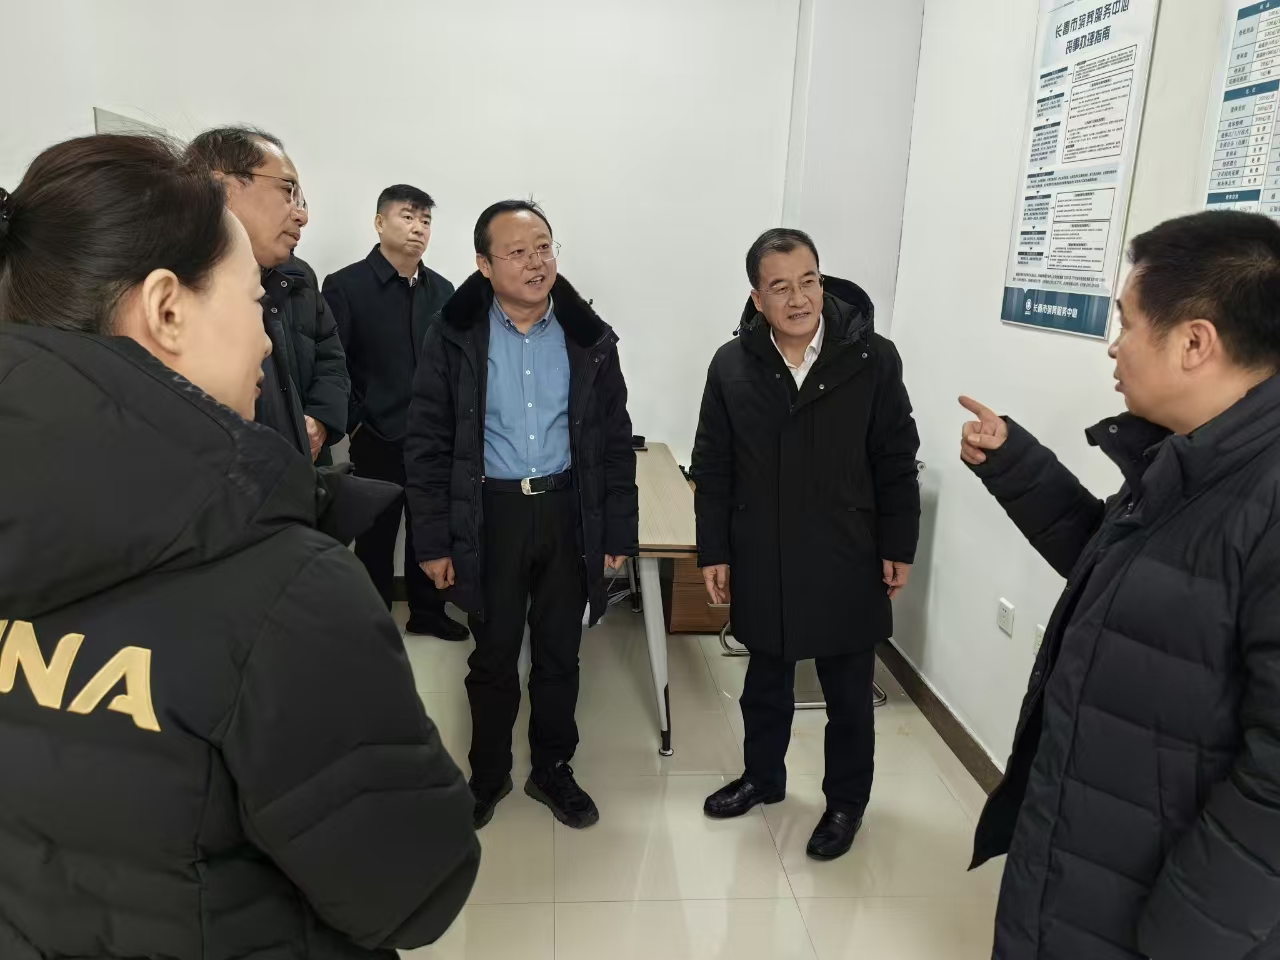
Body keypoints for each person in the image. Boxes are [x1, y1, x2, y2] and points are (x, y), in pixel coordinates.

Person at [0, 135, 478, 960]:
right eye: (255, 300)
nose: (266, 340)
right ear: (167, 309)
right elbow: (414, 891)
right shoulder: (286, 593)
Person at [961, 211, 1280, 960]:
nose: (1115, 345)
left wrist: (1187, 933)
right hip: (1086, 864)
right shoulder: (1189, 458)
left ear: (1195, 342)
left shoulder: (1262, 496)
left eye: (1128, 323)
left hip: (1160, 917)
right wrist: (1016, 465)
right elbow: (1123, 573)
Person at [404, 200, 638, 830]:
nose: (536, 263)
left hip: (568, 511)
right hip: (491, 515)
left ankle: (553, 769)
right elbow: (426, 444)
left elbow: (615, 442)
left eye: (544, 248)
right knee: (494, 656)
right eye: (517, 252)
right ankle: (487, 774)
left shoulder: (588, 337)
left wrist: (617, 531)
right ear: (484, 264)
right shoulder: (453, 337)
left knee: (561, 653)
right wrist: (434, 542)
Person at [691, 228, 920, 861]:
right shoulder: (731, 364)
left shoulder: (872, 357)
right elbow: (712, 466)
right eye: (780, 287)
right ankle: (762, 778)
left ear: (822, 280)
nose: (798, 299)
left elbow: (896, 458)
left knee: (848, 693)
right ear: (756, 297)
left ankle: (846, 804)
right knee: (765, 682)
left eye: (809, 281)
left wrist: (899, 544)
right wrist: (714, 550)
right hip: (762, 549)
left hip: (849, 547)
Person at [322, 185, 467, 641]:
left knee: (431, 529)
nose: (418, 227)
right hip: (376, 435)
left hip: (433, 437)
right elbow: (334, 361)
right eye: (408, 216)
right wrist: (357, 421)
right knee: (376, 534)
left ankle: (428, 614)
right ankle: (372, 620)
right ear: (380, 222)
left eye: (426, 220)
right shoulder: (345, 285)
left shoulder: (443, 290)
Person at [186, 126, 349, 461]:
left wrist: (321, 420)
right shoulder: (178, 289)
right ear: (222, 188)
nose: (302, 215)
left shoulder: (299, 277)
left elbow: (331, 356)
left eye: (300, 199)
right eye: (287, 192)